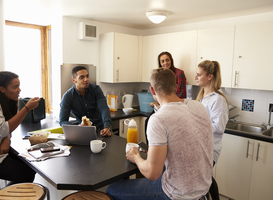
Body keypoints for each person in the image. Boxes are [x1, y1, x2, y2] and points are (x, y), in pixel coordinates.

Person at [106, 68, 213, 200]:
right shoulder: (198, 106)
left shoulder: (158, 119)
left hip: (178, 194)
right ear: (176, 86)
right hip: (203, 189)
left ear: (152, 91)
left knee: (112, 189)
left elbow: (152, 173)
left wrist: (136, 157)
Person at [195, 60, 229, 200]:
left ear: (210, 76)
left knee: (204, 178)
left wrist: (197, 123)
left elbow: (219, 128)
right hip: (200, 146)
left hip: (210, 149)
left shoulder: (217, 100)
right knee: (205, 178)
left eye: (199, 75)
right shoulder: (202, 97)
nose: (196, 77)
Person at [0, 71, 40, 184]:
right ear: (2, 89)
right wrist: (26, 108)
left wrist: (7, 138)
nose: (19, 90)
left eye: (19, 86)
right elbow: (3, 128)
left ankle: (12, 193)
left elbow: (7, 127)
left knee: (30, 165)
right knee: (25, 173)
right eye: (15, 87)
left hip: (2, 150)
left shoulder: (10, 102)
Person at [59, 66, 112, 136]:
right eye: (81, 77)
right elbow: (63, 121)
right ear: (74, 80)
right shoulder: (68, 97)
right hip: (83, 132)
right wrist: (77, 128)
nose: (86, 79)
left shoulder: (96, 89)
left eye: (87, 76)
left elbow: (104, 108)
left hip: (102, 129)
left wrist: (107, 126)